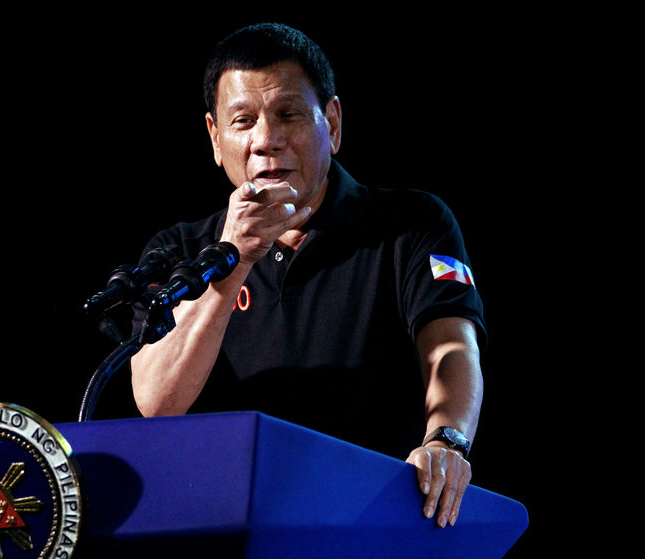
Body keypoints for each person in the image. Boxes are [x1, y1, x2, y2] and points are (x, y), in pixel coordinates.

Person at [129, 23, 485, 529]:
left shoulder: (412, 224)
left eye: (288, 115)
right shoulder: (178, 252)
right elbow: (157, 403)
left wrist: (447, 439)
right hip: (227, 525)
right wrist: (233, 263)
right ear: (215, 137)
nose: (265, 141)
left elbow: (452, 344)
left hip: (375, 520)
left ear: (333, 124)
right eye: (242, 120)